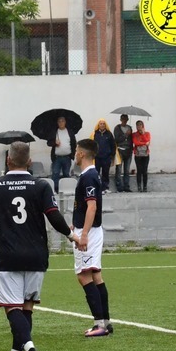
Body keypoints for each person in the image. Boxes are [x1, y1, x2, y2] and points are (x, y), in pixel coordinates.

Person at [0, 142, 78, 351]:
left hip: (9, 256)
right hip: (36, 255)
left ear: (8, 160)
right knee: (26, 307)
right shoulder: (41, 185)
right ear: (29, 161)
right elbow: (53, 215)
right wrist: (72, 236)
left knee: (12, 308)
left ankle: (30, 350)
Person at [71, 139, 113, 337]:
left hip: (89, 232)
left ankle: (99, 325)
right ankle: (105, 322)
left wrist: (84, 234)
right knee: (95, 276)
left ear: (81, 154)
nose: (74, 154)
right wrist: (76, 223)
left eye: (76, 151)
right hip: (88, 229)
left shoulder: (89, 176)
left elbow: (92, 206)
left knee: (83, 276)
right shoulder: (90, 175)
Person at [47, 115, 76, 194]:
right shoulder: (54, 132)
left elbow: (74, 143)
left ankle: (67, 189)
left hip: (67, 157)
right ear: (57, 123)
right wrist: (54, 143)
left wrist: (72, 154)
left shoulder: (70, 132)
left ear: (65, 122)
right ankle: (56, 190)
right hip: (57, 158)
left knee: (66, 173)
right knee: (55, 173)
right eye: (59, 121)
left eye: (62, 121)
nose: (61, 123)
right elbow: (48, 143)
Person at [90, 119, 116, 194]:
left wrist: (112, 155)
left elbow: (113, 145)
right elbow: (91, 145)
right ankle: (97, 188)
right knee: (96, 173)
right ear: (98, 125)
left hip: (106, 157)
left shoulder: (109, 134)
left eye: (103, 123)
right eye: (100, 123)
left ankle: (105, 188)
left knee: (105, 173)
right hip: (97, 157)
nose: (102, 125)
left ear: (105, 125)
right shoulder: (95, 134)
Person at [113, 114, 133, 193]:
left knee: (127, 170)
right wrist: (126, 135)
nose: (124, 120)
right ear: (120, 119)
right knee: (119, 169)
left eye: (126, 119)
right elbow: (117, 139)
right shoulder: (117, 128)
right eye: (123, 119)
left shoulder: (130, 128)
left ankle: (126, 186)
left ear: (127, 119)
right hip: (120, 150)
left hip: (128, 151)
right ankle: (119, 187)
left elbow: (131, 139)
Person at [132, 120, 151, 192]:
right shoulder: (134, 134)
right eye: (137, 125)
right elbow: (136, 142)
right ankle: (139, 186)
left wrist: (143, 134)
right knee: (139, 170)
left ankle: (145, 187)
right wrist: (144, 143)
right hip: (138, 155)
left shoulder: (147, 133)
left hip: (146, 155)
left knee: (145, 171)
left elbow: (148, 141)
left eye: (140, 125)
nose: (139, 126)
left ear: (143, 126)